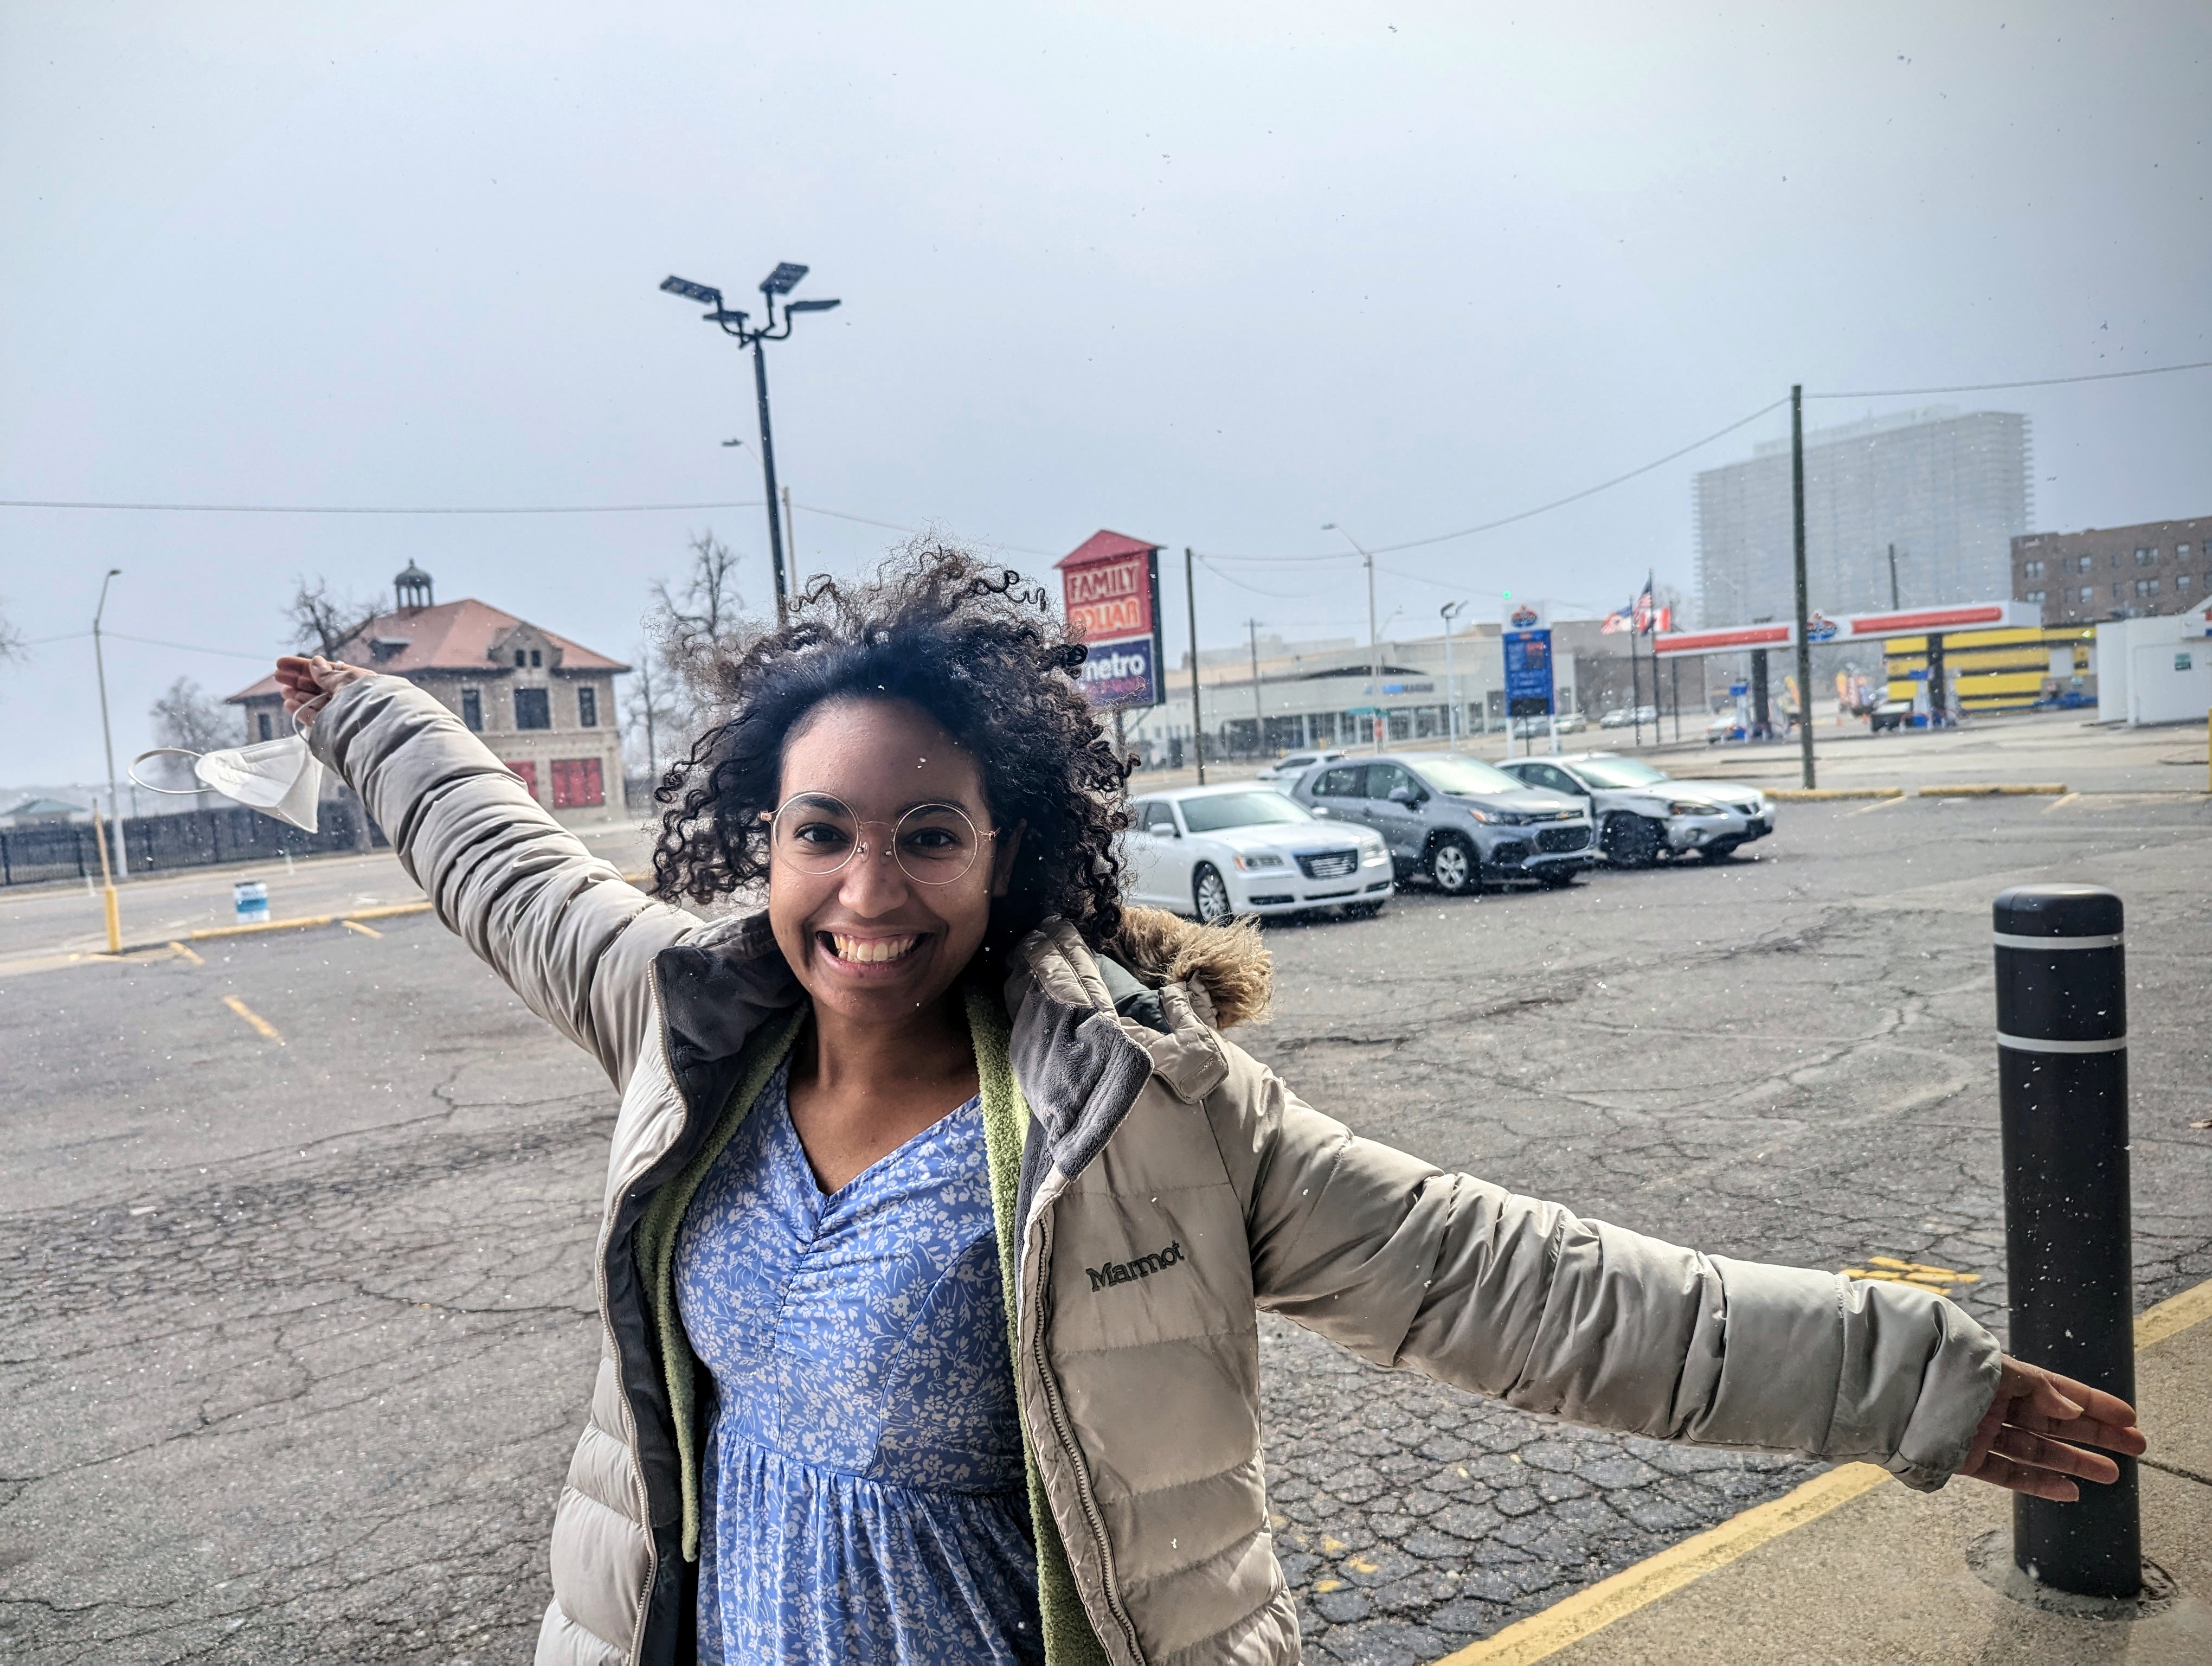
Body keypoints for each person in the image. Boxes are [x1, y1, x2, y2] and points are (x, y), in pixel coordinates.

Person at [276, 546, 2143, 1666]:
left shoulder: (1145, 1112)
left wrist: (1916, 1384)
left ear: (1010, 854)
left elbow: (1516, 1281)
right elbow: (505, 866)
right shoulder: (687, 1022)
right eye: (822, 833)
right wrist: (370, 720)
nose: (868, 889)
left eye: (929, 835)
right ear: (759, 842)